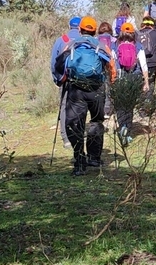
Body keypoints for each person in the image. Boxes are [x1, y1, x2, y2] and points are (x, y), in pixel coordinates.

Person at [54, 16, 117, 175]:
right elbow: (112, 67)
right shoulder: (102, 46)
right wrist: (112, 83)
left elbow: (59, 65)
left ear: (80, 30)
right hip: (97, 90)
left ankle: (79, 160)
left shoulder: (71, 44)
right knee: (96, 121)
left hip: (76, 90)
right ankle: (94, 158)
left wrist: (61, 81)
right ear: (95, 31)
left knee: (75, 123)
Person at [114, 22, 150, 146]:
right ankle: (128, 131)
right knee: (130, 105)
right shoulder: (138, 46)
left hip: (120, 78)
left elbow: (112, 65)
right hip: (134, 78)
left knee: (119, 105)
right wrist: (146, 82)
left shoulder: (115, 46)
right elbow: (144, 66)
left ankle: (122, 126)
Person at [50, 16, 82, 148]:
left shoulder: (61, 40)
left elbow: (53, 62)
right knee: (80, 107)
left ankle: (66, 138)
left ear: (69, 26)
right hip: (81, 79)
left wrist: (57, 79)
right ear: (80, 28)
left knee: (64, 107)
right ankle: (78, 134)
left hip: (64, 79)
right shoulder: (84, 40)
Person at [138, 16, 156, 101]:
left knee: (141, 81)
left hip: (140, 62)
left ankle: (141, 101)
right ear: (152, 24)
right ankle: (149, 102)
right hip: (152, 61)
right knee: (151, 81)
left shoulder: (137, 33)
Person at [97, 21, 115, 118]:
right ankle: (108, 110)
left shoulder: (96, 39)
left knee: (100, 88)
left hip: (99, 66)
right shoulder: (113, 39)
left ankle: (100, 109)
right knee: (109, 87)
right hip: (110, 65)